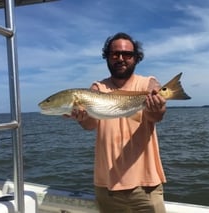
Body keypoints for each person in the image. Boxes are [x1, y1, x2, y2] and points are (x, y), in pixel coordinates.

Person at [69, 32, 167, 213]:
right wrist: (82, 118)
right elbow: (90, 125)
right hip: (107, 187)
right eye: (115, 54)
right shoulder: (97, 88)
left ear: (136, 58)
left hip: (146, 186)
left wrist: (157, 104)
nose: (121, 58)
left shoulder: (147, 83)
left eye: (127, 54)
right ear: (107, 57)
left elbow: (157, 116)